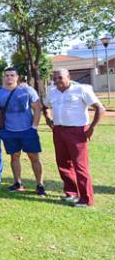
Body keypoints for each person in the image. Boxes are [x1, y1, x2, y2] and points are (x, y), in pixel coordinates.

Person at [43, 69, 105, 207]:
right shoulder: (52, 91)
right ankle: (71, 193)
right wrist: (48, 119)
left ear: (68, 77)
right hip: (58, 131)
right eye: (54, 78)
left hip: (77, 131)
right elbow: (45, 106)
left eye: (60, 78)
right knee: (63, 163)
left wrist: (91, 128)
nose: (57, 81)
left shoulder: (82, 89)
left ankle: (86, 199)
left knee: (80, 165)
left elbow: (100, 108)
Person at [0, 67, 46, 195]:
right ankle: (17, 182)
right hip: (10, 132)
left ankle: (40, 184)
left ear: (17, 77)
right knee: (14, 157)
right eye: (7, 75)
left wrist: (34, 126)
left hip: (28, 131)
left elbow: (37, 108)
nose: (9, 78)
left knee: (34, 157)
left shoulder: (27, 90)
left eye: (12, 75)